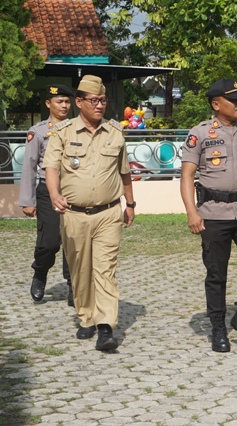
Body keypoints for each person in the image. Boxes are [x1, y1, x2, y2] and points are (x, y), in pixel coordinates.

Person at [180, 79, 237, 352]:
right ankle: (218, 326)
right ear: (216, 104)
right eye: (234, 99)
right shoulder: (199, 133)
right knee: (216, 273)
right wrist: (191, 212)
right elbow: (187, 175)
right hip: (213, 213)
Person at [43, 75, 135, 351]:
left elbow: (125, 172)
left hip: (108, 213)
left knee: (105, 270)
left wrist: (130, 204)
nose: (99, 106)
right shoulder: (63, 132)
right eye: (93, 101)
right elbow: (51, 169)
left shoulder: (115, 133)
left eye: (103, 100)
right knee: (80, 269)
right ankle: (86, 317)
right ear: (79, 102)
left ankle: (106, 326)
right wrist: (54, 194)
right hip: (74, 214)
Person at [18, 84, 74, 306]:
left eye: (67, 102)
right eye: (59, 101)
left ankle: (73, 285)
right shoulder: (39, 131)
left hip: (72, 191)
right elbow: (29, 167)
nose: (64, 105)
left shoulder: (76, 128)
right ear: (48, 104)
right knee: (49, 242)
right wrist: (27, 200)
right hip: (46, 193)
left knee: (73, 239)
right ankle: (40, 272)